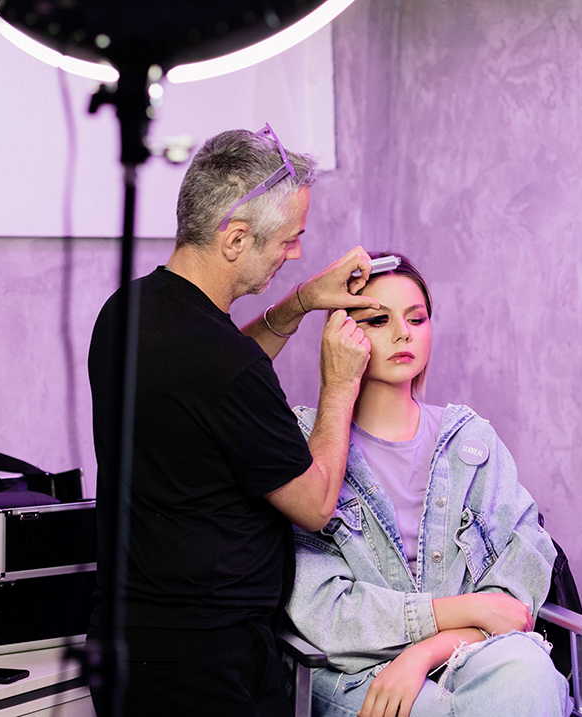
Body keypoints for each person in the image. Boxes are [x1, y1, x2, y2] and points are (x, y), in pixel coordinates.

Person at [87, 126, 378, 716]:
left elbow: (213, 383)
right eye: (289, 241)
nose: (294, 254)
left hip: (127, 644)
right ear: (236, 238)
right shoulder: (226, 366)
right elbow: (316, 503)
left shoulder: (128, 311)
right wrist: (339, 385)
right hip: (208, 664)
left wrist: (298, 302)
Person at [287, 254, 570, 717]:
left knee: (528, 669)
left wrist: (423, 653)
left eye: (416, 319)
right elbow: (326, 614)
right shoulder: (302, 449)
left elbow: (515, 594)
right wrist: (461, 611)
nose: (404, 333)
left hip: (470, 653)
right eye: (379, 320)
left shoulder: (472, 442)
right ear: (341, 337)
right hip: (355, 672)